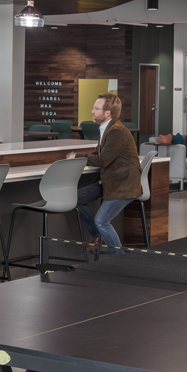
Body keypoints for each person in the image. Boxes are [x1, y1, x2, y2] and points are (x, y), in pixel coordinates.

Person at [65, 94, 142, 256]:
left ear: (108, 113)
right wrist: (79, 157)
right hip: (110, 182)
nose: (92, 111)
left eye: (96, 108)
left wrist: (76, 157)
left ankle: (119, 260)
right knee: (75, 199)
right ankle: (98, 235)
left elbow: (102, 160)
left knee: (102, 221)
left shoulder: (117, 131)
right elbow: (98, 154)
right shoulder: (108, 128)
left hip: (123, 185)